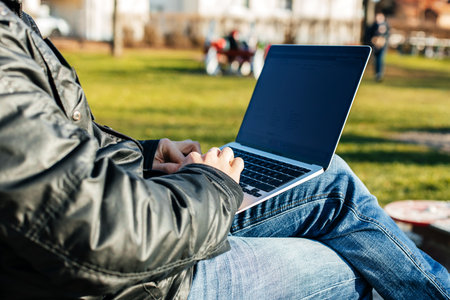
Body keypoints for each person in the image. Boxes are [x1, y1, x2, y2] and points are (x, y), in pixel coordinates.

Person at [0, 1, 448, 299]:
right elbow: (96, 229)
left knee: (328, 176)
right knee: (353, 262)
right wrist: (211, 184)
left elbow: (59, 160)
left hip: (125, 248)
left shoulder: (12, 22)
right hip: (142, 281)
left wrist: (145, 155)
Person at [366, 12, 390, 82]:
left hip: (382, 46)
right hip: (375, 45)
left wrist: (383, 40)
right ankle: (376, 74)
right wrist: (373, 40)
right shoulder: (373, 25)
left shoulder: (386, 25)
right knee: (375, 60)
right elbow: (369, 34)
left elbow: (387, 34)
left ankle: (379, 74)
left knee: (380, 60)